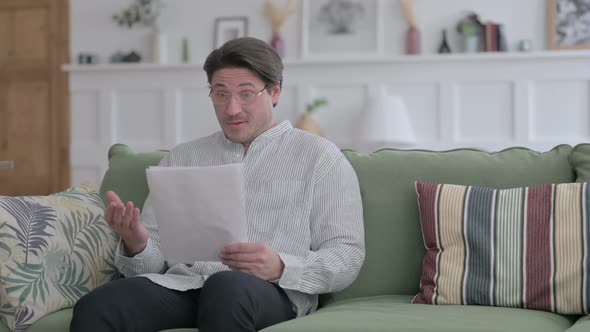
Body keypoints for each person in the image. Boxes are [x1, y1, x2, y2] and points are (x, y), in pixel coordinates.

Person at [70, 37, 365, 332]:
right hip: (184, 285)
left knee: (227, 288)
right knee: (98, 305)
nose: (232, 108)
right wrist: (137, 242)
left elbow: (347, 255)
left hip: (270, 291)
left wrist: (281, 266)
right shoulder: (183, 157)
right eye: (220, 94)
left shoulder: (320, 157)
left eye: (246, 94)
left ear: (275, 92)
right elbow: (151, 264)